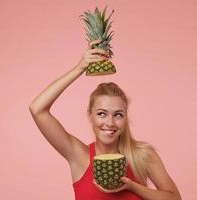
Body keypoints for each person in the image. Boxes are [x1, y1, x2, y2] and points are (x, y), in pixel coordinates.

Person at [29, 39, 182, 200]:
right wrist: (79, 67)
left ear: (125, 117)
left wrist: (132, 186)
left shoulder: (143, 154)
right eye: (101, 113)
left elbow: (175, 199)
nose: (110, 123)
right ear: (90, 115)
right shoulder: (78, 155)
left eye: (118, 114)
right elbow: (37, 109)